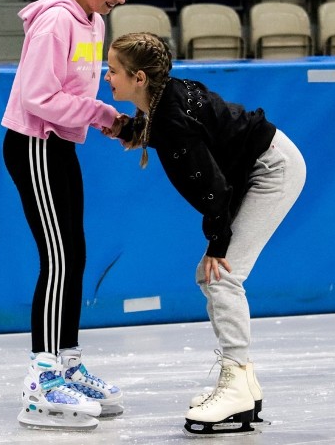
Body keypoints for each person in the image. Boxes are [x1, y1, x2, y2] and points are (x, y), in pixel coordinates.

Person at [102, 32, 307, 436]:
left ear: (139, 78)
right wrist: (135, 131)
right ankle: (242, 381)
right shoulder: (165, 102)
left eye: (112, 70)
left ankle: (236, 386)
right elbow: (192, 127)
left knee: (222, 275)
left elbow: (213, 187)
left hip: (273, 170)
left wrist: (218, 242)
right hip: (260, 163)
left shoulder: (172, 121)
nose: (106, 77)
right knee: (210, 276)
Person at [1, 0, 140, 431]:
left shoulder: (93, 22)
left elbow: (74, 92)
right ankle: (42, 380)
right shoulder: (56, 21)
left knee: (73, 254)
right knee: (57, 257)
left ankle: (66, 362)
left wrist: (115, 118)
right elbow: (39, 97)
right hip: (34, 144)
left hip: (60, 145)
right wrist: (105, 117)